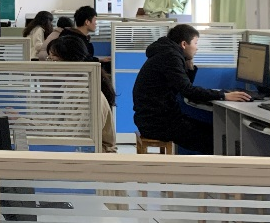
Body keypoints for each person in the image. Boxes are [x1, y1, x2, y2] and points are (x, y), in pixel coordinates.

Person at [133, 23, 250, 154]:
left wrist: (189, 67)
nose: (197, 48)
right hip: (157, 123)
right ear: (184, 44)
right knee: (214, 138)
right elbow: (188, 90)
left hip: (153, 118)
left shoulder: (166, 52)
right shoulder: (171, 56)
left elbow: (184, 86)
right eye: (195, 43)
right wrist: (223, 95)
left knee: (214, 131)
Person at [47, 37, 117, 152]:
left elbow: (80, 140)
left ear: (72, 62)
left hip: (93, 155)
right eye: (48, 59)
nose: (49, 65)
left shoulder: (90, 96)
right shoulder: (69, 87)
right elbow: (57, 127)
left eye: (53, 60)